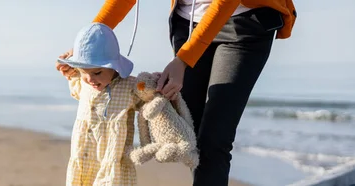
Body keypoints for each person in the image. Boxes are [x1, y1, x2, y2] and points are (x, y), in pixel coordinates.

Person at [56, 0, 297, 185]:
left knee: (215, 138)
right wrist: (87, 50)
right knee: (191, 133)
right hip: (188, 24)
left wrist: (183, 60)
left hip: (245, 23)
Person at [56, 22, 142, 185]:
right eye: (83, 72)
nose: (90, 79)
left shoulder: (129, 87)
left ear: (115, 67)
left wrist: (156, 85)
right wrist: (69, 70)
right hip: (83, 162)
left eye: (97, 72)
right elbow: (73, 79)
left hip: (111, 165)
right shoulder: (83, 84)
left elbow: (151, 99)